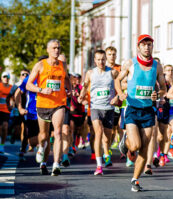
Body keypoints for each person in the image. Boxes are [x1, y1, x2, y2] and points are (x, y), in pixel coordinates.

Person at [116, 34, 167, 192]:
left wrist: (157, 95)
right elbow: (117, 80)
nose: (147, 47)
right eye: (143, 44)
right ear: (138, 46)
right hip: (132, 108)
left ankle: (135, 180)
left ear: (152, 46)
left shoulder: (157, 66)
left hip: (148, 111)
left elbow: (163, 88)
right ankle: (125, 142)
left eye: (149, 44)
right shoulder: (130, 63)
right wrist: (120, 94)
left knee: (145, 148)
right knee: (136, 144)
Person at [27, 39, 71, 176]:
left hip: (59, 104)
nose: (56, 50)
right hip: (43, 104)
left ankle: (56, 164)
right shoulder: (40, 65)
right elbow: (29, 84)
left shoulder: (63, 65)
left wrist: (69, 90)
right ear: (48, 50)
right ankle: (41, 151)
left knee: (57, 132)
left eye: (58, 48)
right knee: (44, 136)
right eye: (53, 48)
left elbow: (67, 79)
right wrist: (41, 89)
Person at [78, 49, 119, 175]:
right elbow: (85, 87)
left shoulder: (113, 72)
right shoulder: (90, 73)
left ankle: (107, 152)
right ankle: (99, 165)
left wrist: (117, 97)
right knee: (98, 133)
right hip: (95, 107)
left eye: (103, 59)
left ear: (105, 59)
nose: (101, 61)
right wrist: (81, 97)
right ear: (95, 60)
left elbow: (120, 87)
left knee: (107, 137)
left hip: (109, 109)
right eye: (98, 59)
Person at [0, 71, 15, 153]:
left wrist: (12, 104)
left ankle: (2, 145)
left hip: (6, 110)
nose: (6, 78)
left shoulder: (11, 87)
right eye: (4, 76)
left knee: (5, 127)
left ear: (9, 78)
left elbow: (13, 98)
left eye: (7, 77)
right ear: (2, 78)